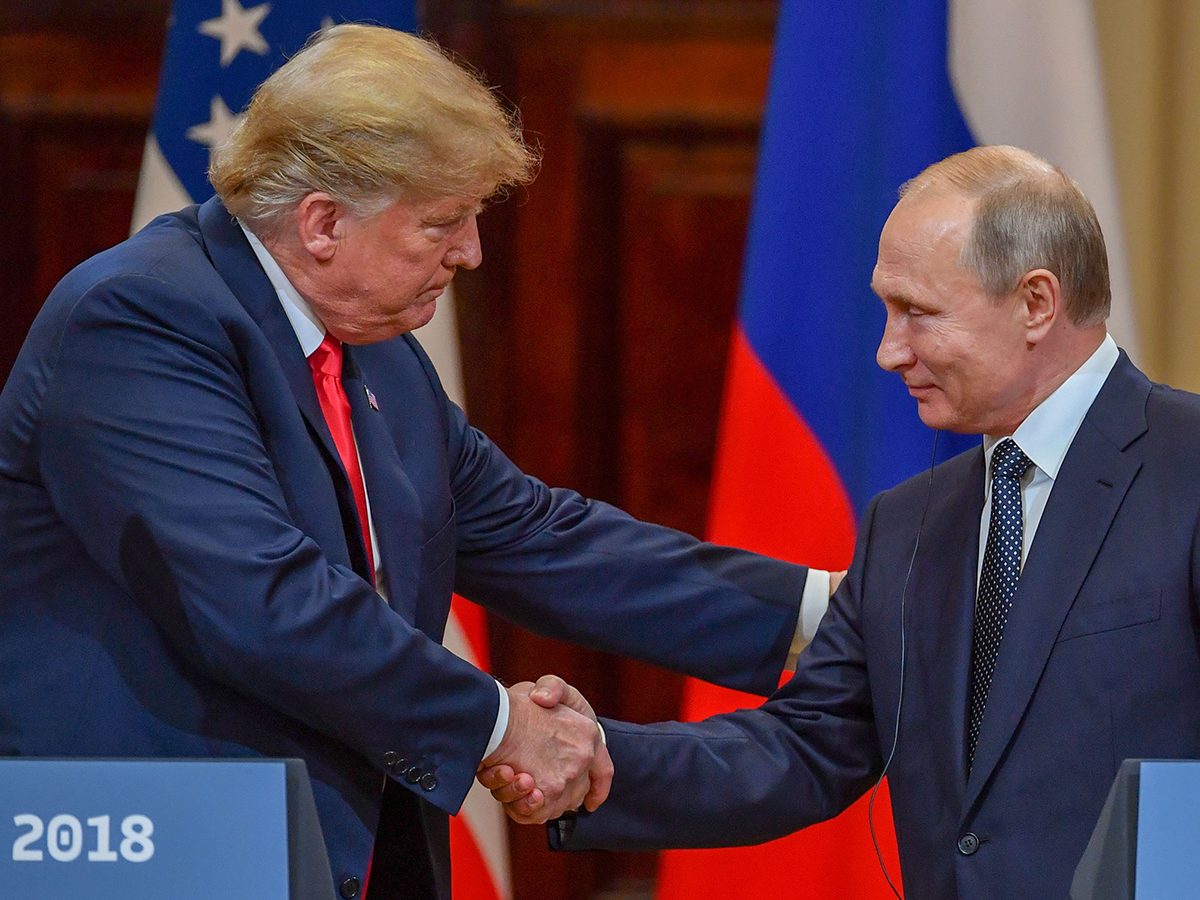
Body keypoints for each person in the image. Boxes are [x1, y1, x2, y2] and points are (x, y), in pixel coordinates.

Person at [0, 24, 836, 900]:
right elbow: (264, 600)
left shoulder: (380, 355)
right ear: (322, 222)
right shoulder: (139, 319)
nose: (471, 251)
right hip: (157, 853)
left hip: (335, 852)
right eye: (442, 222)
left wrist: (827, 612)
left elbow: (540, 537)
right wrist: (500, 724)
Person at [491, 145, 1200, 898]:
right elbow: (803, 746)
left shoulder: (1185, 469)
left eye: (918, 313)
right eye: (886, 311)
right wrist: (596, 757)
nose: (888, 351)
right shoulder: (913, 523)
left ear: (1035, 303)